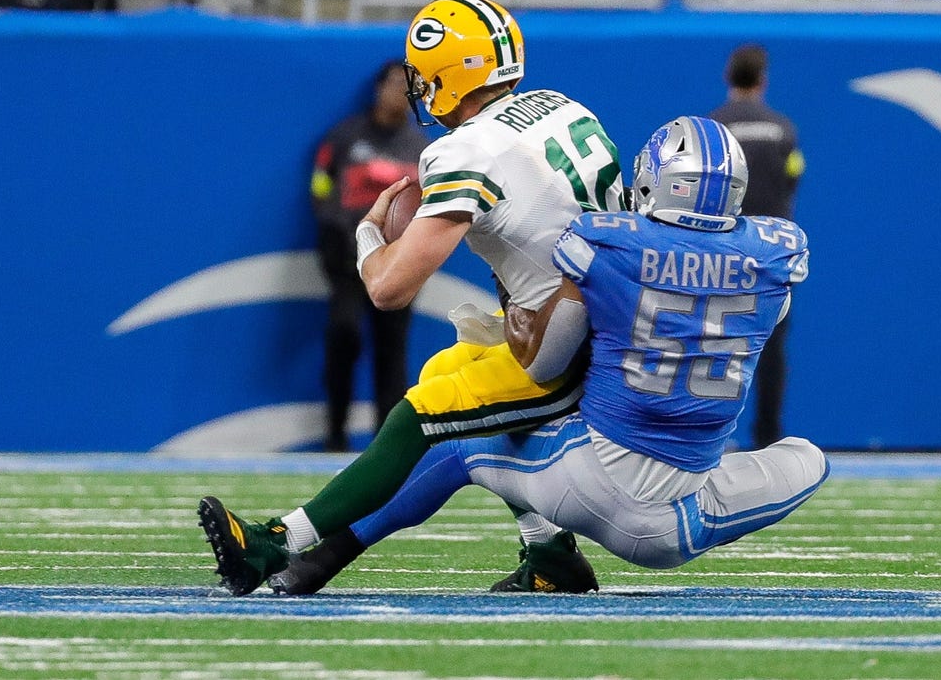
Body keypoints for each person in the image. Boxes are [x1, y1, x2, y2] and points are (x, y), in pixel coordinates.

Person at [268, 116, 828, 595]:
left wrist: (515, 313)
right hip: (682, 518)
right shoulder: (776, 255)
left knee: (469, 437)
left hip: (590, 478)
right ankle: (550, 560)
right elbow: (753, 312)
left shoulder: (607, 245)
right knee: (809, 458)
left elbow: (544, 360)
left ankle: (317, 554)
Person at [199, 0, 623, 596]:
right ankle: (550, 553)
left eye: (424, 78)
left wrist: (370, 236)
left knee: (423, 415)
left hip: (570, 348)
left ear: (449, 75)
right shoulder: (561, 108)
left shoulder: (464, 150)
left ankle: (279, 541)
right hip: (606, 319)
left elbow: (390, 288)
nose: (419, 93)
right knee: (450, 369)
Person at [310, 59, 430, 452]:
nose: (401, 92)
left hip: (399, 260)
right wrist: (337, 231)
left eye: (410, 85)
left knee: (392, 349)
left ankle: (386, 444)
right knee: (344, 334)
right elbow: (321, 183)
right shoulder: (346, 137)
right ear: (378, 87)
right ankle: (335, 432)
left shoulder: (421, 149)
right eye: (396, 82)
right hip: (348, 260)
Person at [709, 44, 804, 451]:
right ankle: (767, 439)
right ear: (762, 80)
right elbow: (792, 178)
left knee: (710, 345)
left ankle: (708, 435)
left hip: (720, 251)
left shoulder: (713, 127)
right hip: (771, 254)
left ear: (729, 78)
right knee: (771, 348)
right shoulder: (782, 128)